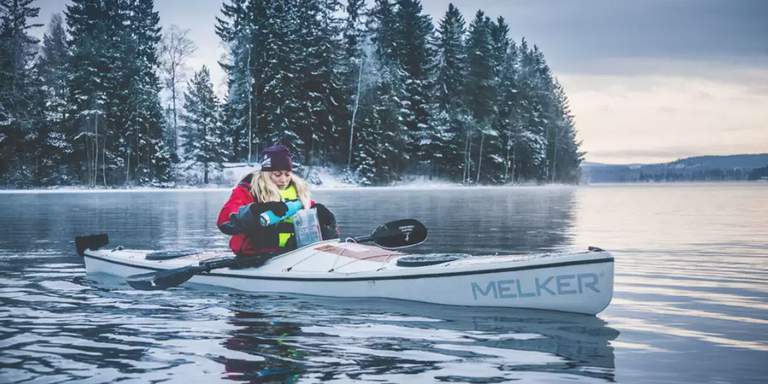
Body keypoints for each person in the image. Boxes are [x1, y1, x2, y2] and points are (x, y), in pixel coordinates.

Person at [217, 144, 338, 258]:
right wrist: (257, 209)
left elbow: (309, 209)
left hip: (292, 251)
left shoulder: (296, 190)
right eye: (277, 174)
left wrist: (320, 213)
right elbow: (225, 220)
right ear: (266, 173)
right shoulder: (248, 190)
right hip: (258, 253)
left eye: (287, 174)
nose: (284, 180)